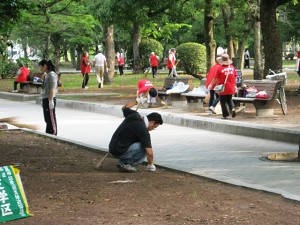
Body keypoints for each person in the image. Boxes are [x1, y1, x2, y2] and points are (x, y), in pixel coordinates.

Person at [109, 104, 163, 172]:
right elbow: (149, 153)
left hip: (112, 147)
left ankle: (121, 163)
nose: (152, 129)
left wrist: (136, 101)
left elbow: (124, 108)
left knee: (138, 142)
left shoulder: (135, 115)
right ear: (152, 122)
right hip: (119, 151)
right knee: (144, 148)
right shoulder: (144, 131)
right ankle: (127, 164)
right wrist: (150, 165)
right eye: (154, 127)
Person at [208, 54, 237, 119]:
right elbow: (235, 77)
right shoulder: (232, 67)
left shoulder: (220, 68)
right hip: (231, 86)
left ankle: (225, 114)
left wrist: (211, 84)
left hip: (222, 87)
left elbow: (215, 78)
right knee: (229, 99)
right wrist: (235, 85)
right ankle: (232, 108)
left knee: (223, 100)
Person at [39, 60, 58, 135]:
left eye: (41, 66)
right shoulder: (46, 75)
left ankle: (53, 133)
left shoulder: (52, 75)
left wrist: (51, 100)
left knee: (51, 119)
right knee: (47, 119)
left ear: (45, 66)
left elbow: (52, 88)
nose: (40, 68)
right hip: (45, 98)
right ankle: (48, 133)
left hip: (49, 98)